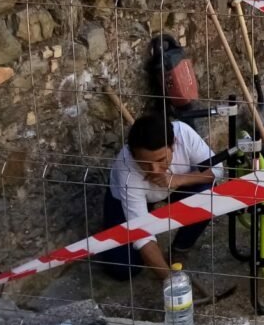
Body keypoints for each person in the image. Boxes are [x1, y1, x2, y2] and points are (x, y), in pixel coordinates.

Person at [96, 111, 224, 281]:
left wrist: (177, 179)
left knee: (208, 195)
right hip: (128, 197)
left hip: (176, 184)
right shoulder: (126, 169)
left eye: (161, 159)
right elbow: (141, 236)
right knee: (122, 268)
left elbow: (217, 169)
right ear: (134, 155)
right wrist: (170, 282)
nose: (155, 170)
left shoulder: (183, 134)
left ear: (173, 145)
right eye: (146, 163)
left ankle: (180, 248)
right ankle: (127, 229)